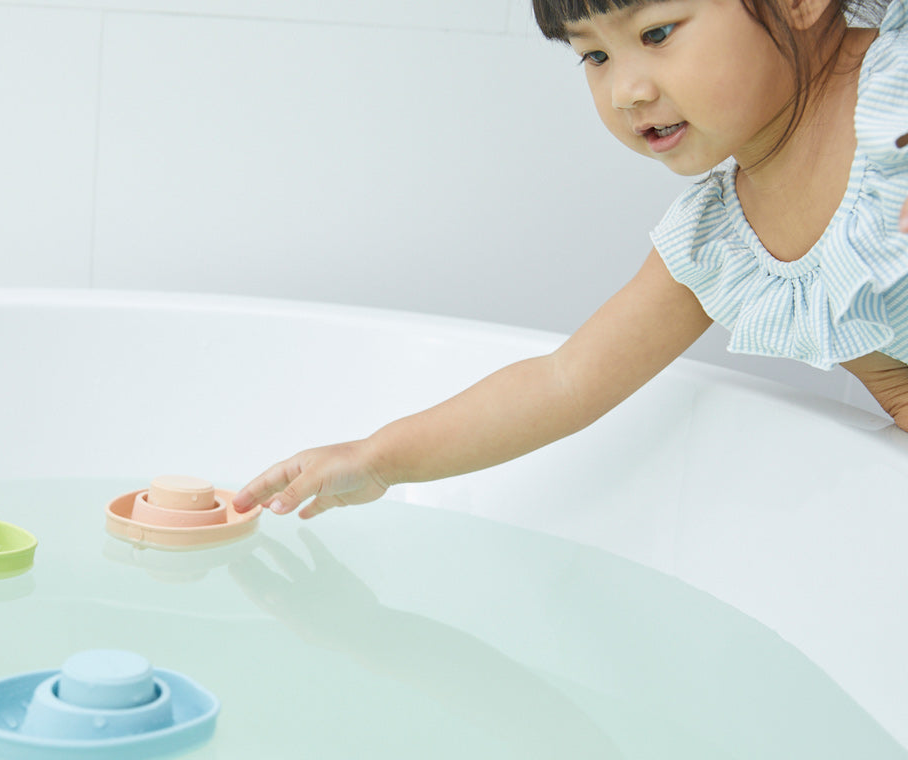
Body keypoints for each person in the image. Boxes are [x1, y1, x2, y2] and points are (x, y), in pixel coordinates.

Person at [234, 0, 908, 521]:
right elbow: (564, 381)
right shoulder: (720, 242)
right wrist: (379, 459)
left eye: (656, 34)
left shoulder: (895, 81)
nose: (627, 91)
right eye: (593, 57)